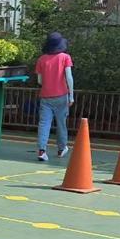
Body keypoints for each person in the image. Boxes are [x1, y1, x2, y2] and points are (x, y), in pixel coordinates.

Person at [34, 31, 74, 162]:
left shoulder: (41, 59)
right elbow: (69, 77)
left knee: (44, 123)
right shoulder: (65, 57)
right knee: (61, 123)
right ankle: (61, 148)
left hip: (45, 96)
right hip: (62, 96)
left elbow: (39, 81)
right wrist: (71, 95)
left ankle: (42, 150)